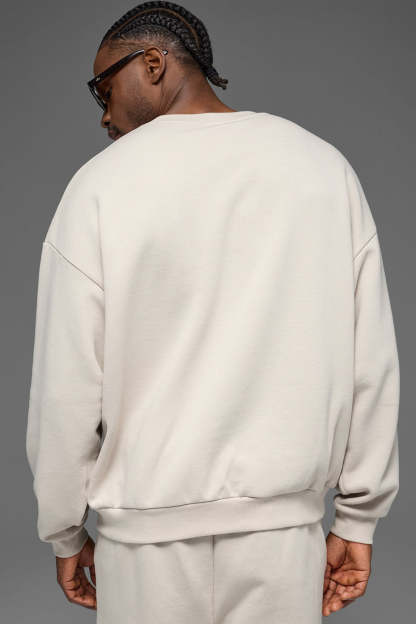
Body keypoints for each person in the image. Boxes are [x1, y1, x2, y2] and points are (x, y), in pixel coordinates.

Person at [25, 2, 400, 622]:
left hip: (144, 548)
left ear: (153, 63)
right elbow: (372, 364)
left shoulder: (99, 187)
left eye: (104, 87)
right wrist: (358, 519)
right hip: (283, 542)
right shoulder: (321, 169)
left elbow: (66, 387)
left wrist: (64, 529)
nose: (104, 113)